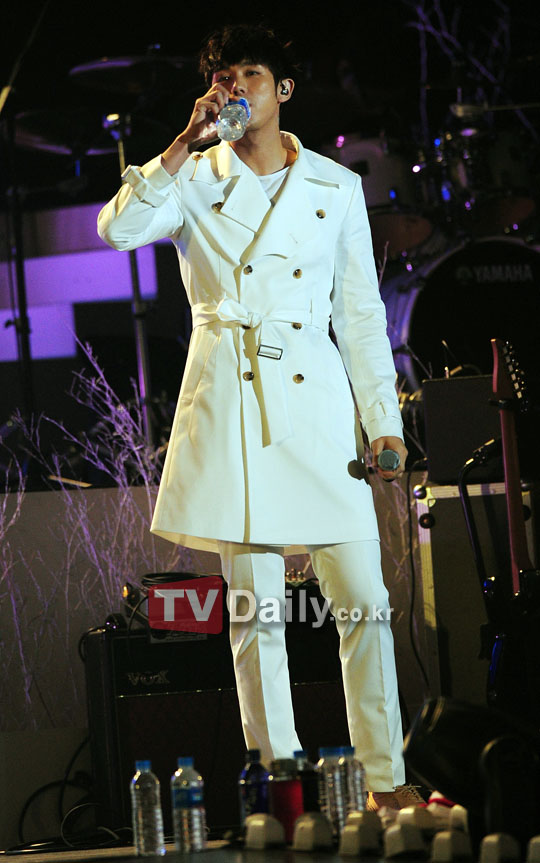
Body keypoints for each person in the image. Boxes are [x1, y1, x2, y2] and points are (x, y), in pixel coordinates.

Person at [98, 22, 422, 810]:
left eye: (250, 73)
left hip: (317, 407)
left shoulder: (335, 186)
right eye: (223, 76)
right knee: (257, 615)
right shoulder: (192, 175)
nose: (235, 86)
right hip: (235, 404)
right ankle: (283, 786)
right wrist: (182, 143)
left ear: (284, 89)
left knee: (366, 604)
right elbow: (118, 230)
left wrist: (383, 420)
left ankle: (386, 783)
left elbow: (360, 311)